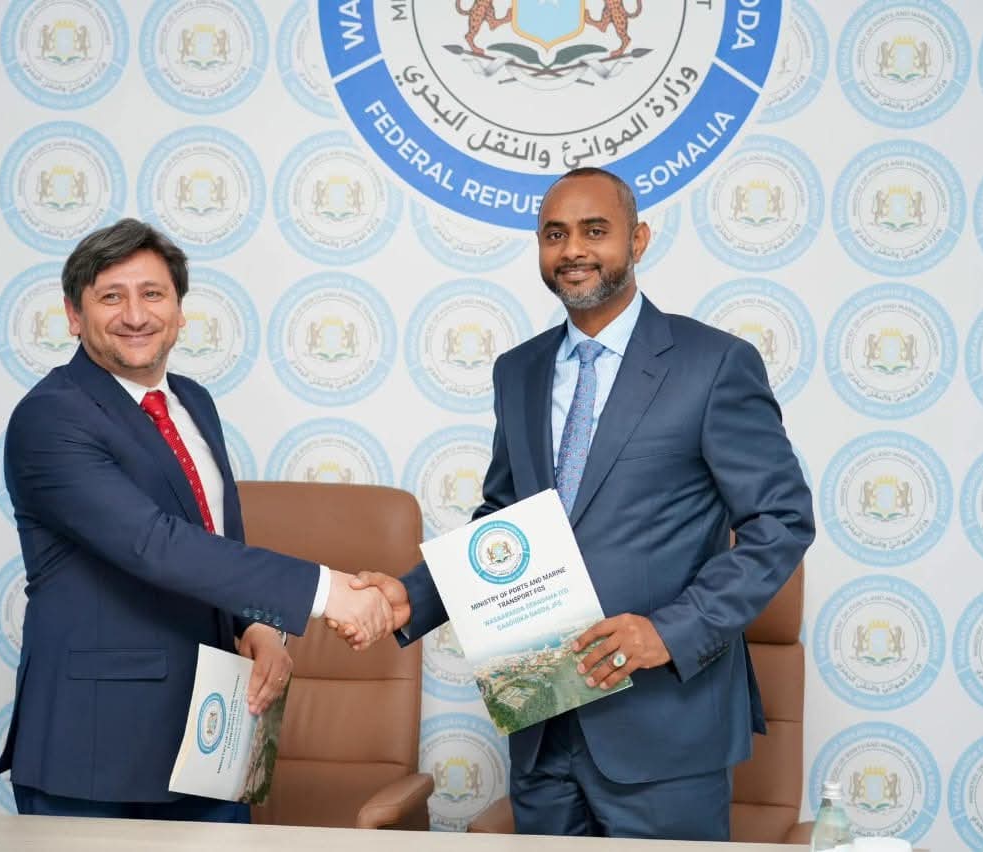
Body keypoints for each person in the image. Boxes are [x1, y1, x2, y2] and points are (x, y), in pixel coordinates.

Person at [340, 168, 815, 840]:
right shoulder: (520, 371)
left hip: (664, 731)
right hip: (542, 717)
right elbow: (504, 524)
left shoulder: (713, 365)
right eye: (554, 234)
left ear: (638, 240)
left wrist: (669, 632)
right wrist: (414, 596)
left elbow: (782, 521)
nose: (573, 250)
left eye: (595, 230)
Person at [0, 219, 390, 822]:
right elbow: (155, 544)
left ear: (179, 311)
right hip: (97, 751)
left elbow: (215, 538)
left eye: (152, 294)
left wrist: (259, 625)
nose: (135, 315)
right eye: (111, 296)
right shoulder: (51, 417)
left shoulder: (193, 401)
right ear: (74, 315)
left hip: (213, 736)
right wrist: (327, 590)